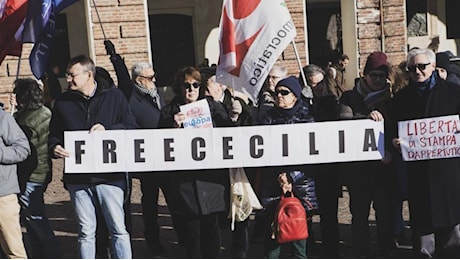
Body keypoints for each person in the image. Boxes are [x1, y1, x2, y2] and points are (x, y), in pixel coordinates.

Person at [48, 55, 137, 259]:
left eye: (72, 75)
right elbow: (54, 133)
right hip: (78, 178)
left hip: (110, 176)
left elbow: (131, 127)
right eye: (67, 75)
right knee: (86, 231)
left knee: (118, 228)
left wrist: (109, 129)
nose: (68, 79)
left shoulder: (114, 97)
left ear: (89, 75)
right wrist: (55, 147)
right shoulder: (62, 102)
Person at [159, 66, 233, 258]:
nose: (191, 89)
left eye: (195, 85)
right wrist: (173, 127)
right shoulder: (168, 112)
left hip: (211, 178)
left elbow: (230, 131)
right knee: (191, 232)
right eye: (186, 85)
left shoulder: (213, 107)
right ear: (179, 88)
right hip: (185, 181)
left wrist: (235, 115)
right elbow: (158, 145)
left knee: (212, 227)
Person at [392, 48, 460, 258]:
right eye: (412, 68)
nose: (417, 72)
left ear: (433, 67)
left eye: (422, 67)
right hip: (418, 173)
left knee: (451, 228)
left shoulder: (453, 92)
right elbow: (395, 128)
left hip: (448, 173)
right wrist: (396, 142)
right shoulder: (401, 98)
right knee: (423, 229)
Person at [104, 40, 167, 255]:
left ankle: (165, 237)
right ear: (139, 79)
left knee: (164, 198)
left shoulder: (157, 95)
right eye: (150, 78)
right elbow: (123, 77)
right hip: (142, 155)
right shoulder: (131, 94)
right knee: (146, 200)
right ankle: (147, 240)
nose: (154, 80)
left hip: (163, 153)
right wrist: (114, 57)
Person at [338, 51, 396, 257]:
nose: (378, 80)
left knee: (385, 214)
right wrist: (365, 119)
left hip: (384, 168)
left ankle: (387, 251)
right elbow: (343, 123)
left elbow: (395, 129)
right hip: (359, 171)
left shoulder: (391, 97)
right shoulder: (350, 97)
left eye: (382, 76)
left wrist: (391, 149)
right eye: (374, 76)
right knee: (360, 214)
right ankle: (361, 252)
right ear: (365, 76)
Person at [258, 76, 318, 258]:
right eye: (277, 93)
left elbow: (312, 156)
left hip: (301, 187)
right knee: (273, 240)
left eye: (284, 93)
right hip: (273, 184)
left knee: (299, 239)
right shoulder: (267, 119)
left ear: (295, 96)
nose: (279, 96)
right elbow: (262, 151)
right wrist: (280, 176)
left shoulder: (308, 119)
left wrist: (291, 176)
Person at [10, 78, 60, 258]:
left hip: (29, 174)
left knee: (35, 219)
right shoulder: (46, 112)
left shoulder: (23, 119)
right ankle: (40, 254)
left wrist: (13, 115)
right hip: (44, 171)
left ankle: (52, 254)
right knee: (32, 218)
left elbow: (17, 147)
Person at [300, 64, 342, 257]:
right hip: (306, 168)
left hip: (327, 167)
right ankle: (308, 247)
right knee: (305, 212)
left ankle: (331, 250)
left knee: (328, 213)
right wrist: (305, 104)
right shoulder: (300, 105)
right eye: (313, 84)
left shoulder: (331, 102)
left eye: (320, 83)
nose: (318, 88)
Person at [0, 104, 30, 259]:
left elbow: (23, 149)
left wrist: (1, 153)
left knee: (14, 250)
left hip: (2, 196)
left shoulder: (3, 119)